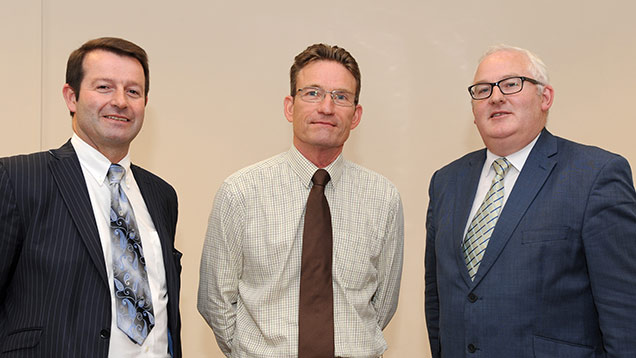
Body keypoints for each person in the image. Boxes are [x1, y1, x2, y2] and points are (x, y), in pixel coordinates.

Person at [425, 44, 636, 357]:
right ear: (473, 111)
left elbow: (625, 312)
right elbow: (437, 300)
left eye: (511, 84)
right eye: (483, 90)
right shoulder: (446, 182)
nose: (496, 97)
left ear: (545, 98)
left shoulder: (595, 175)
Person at [198, 43, 404, 358]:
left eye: (341, 96)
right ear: (290, 107)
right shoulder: (240, 192)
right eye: (312, 93)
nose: (326, 107)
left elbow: (382, 306)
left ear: (356, 114)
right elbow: (216, 301)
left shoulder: (383, 198)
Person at [0, 37, 182, 357]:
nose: (121, 101)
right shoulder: (18, 179)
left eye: (133, 91)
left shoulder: (161, 195)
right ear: (71, 97)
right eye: (104, 87)